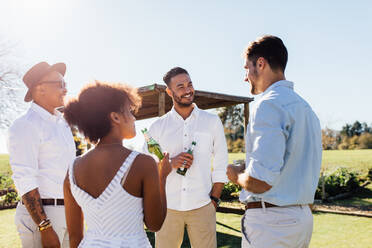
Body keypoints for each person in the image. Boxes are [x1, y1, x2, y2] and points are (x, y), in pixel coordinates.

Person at [226, 35, 322, 248]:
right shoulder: (307, 110)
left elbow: (261, 181)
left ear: (260, 64)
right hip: (301, 219)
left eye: (246, 68)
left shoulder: (268, 106)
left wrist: (236, 174)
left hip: (272, 223)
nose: (245, 77)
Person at [63, 81, 172, 247]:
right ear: (115, 117)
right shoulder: (143, 163)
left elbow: (75, 237)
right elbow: (155, 224)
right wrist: (162, 177)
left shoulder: (72, 170)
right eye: (130, 111)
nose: (134, 118)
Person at [143, 67, 228, 248]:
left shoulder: (211, 122)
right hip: (167, 209)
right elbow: (145, 167)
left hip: (203, 206)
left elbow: (221, 163)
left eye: (189, 84)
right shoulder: (158, 127)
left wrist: (214, 200)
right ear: (169, 91)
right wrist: (170, 163)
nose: (188, 90)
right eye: (180, 86)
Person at [7, 62, 76, 247]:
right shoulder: (25, 125)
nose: (65, 89)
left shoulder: (63, 125)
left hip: (69, 212)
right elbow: (25, 178)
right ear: (40, 88)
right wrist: (44, 227)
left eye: (65, 84)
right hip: (43, 217)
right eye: (60, 84)